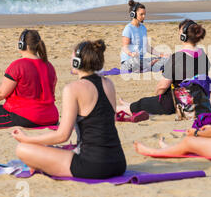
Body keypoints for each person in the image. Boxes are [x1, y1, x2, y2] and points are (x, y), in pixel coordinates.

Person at [12, 40, 126, 179]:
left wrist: (27, 139)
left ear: (77, 62)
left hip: (93, 165)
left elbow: (62, 136)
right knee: (52, 151)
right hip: (119, 163)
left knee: (22, 149)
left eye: (72, 57)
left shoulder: (72, 89)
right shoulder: (109, 83)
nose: (70, 59)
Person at [118, 19, 210, 115]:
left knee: (144, 102)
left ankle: (123, 108)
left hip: (176, 104)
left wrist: (157, 94)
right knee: (145, 102)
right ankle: (130, 105)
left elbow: (161, 88)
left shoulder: (177, 58)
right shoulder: (203, 56)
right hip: (199, 101)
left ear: (183, 36)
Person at [0, 29, 58, 130]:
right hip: (52, 118)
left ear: (21, 45)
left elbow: (1, 94)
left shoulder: (18, 65)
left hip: (27, 118)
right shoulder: (49, 66)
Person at [121, 0, 169, 72]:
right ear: (133, 14)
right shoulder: (128, 29)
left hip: (140, 61)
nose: (144, 16)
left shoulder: (143, 28)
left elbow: (146, 47)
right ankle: (149, 65)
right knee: (137, 63)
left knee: (166, 59)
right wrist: (131, 53)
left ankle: (149, 65)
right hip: (129, 61)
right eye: (141, 14)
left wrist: (161, 55)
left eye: (144, 14)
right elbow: (125, 47)